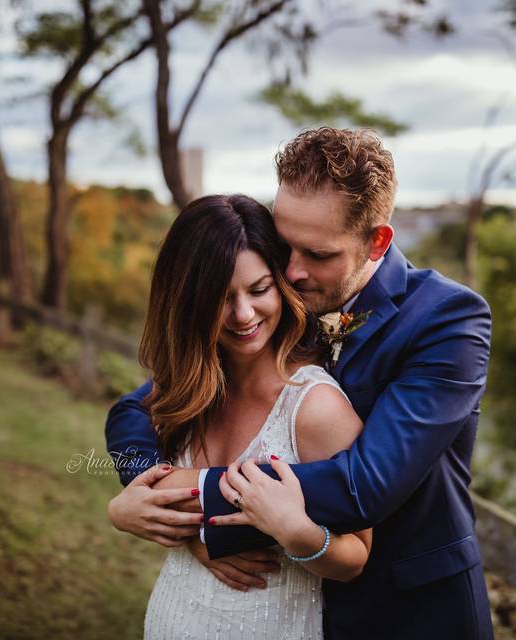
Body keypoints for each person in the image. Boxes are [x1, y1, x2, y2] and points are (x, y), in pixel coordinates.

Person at [106, 127, 494, 638]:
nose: (292, 270)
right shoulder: (285, 300)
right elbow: (137, 407)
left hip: (408, 611)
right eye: (285, 246)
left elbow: (364, 484)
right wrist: (144, 486)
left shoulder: (447, 320)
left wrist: (194, 507)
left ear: (376, 241)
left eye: (317, 254)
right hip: (290, 603)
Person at [128, 193, 372, 639]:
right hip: (172, 617)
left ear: (282, 283)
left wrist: (298, 534)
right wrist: (129, 508)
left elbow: (356, 556)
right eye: (221, 298)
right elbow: (133, 437)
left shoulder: (314, 407)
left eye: (259, 290)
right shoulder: (188, 387)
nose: (243, 315)